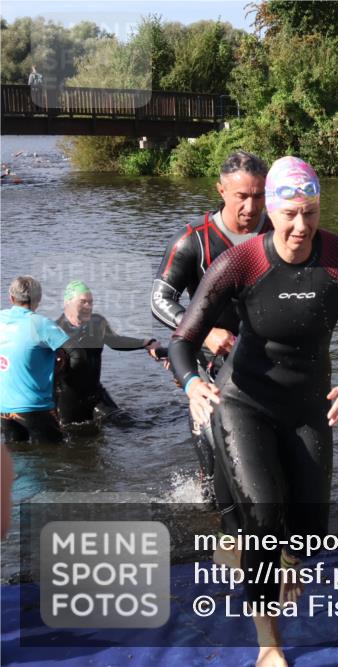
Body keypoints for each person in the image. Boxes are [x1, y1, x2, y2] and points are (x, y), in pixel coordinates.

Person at [169, 156, 338, 667]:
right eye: (289, 213)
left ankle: (278, 557)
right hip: (244, 404)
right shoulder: (242, 262)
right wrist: (192, 383)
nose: (300, 225)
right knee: (263, 522)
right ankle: (270, 647)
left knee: (308, 537)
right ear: (273, 210)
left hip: (308, 409)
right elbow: (184, 339)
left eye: (310, 212)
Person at [151, 150, 269, 547]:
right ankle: (222, 534)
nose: (250, 206)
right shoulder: (194, 241)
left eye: (258, 196)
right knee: (214, 449)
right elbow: (160, 298)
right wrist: (203, 333)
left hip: (259, 360)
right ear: (221, 190)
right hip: (206, 363)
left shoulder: (276, 232)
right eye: (241, 197)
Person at [55, 280, 164, 425]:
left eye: (91, 302)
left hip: (96, 394)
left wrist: (145, 343)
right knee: (74, 437)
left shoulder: (98, 322)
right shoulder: (55, 331)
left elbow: (115, 341)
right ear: (67, 303)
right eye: (83, 302)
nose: (89, 307)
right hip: (69, 401)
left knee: (129, 424)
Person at [0, 276, 67, 443]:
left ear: (11, 298)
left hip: (4, 408)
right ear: (39, 299)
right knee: (54, 458)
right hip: (34, 407)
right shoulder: (41, 324)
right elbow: (74, 351)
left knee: (16, 456)